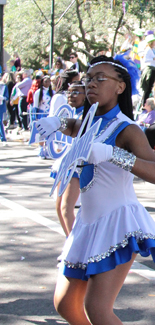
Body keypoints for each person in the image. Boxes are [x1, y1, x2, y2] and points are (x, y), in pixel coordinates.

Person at [34, 55, 155, 325]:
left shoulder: (127, 129)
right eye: (88, 79)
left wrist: (113, 154)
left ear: (120, 86)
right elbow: (72, 127)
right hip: (88, 225)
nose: (92, 84)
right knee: (65, 304)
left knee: (98, 307)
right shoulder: (87, 121)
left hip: (117, 223)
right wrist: (56, 121)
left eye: (100, 78)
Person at [55, 81, 86, 236]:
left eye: (76, 92)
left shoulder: (86, 115)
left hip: (78, 165)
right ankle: (70, 243)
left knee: (66, 209)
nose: (71, 95)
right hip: (65, 162)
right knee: (59, 207)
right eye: (69, 92)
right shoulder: (70, 112)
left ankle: (75, 249)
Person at [139, 38, 155, 104]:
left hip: (153, 68)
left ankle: (147, 103)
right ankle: (145, 103)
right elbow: (145, 59)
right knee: (148, 88)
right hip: (150, 69)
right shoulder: (148, 49)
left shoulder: (152, 49)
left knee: (151, 87)